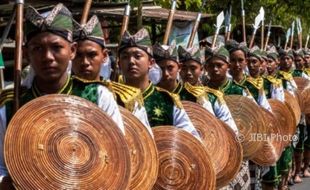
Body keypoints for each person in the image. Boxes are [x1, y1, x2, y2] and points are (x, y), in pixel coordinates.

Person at [0, 3, 124, 186]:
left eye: (56, 47)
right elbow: (1, 165)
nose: (48, 56)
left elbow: (117, 158)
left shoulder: (98, 97)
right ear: (26, 53)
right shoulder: (10, 106)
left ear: (72, 50)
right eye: (37, 49)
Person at [117, 28, 200, 139]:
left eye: (137, 56)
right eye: (125, 57)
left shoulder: (168, 101)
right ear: (118, 63)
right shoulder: (111, 97)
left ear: (151, 63)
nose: (131, 61)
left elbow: (191, 140)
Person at [71, 15, 151, 130]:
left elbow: (143, 141)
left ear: (104, 56)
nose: (84, 62)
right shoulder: (57, 91)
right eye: (79, 55)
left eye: (92, 55)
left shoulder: (126, 98)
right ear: (71, 53)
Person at [204, 44, 250, 190]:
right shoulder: (199, 92)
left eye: (219, 65)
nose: (215, 69)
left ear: (227, 66)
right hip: (211, 152)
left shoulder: (240, 90)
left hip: (238, 151)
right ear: (205, 67)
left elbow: (253, 121)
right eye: (211, 65)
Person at [178, 45, 238, 134]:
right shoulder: (173, 97)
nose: (188, 73)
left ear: (201, 69)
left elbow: (232, 130)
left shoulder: (213, 97)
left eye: (193, 68)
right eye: (184, 68)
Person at [153, 42, 214, 115]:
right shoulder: (147, 97)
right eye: (161, 68)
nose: (165, 73)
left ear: (179, 67)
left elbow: (210, 123)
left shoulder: (194, 98)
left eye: (170, 68)